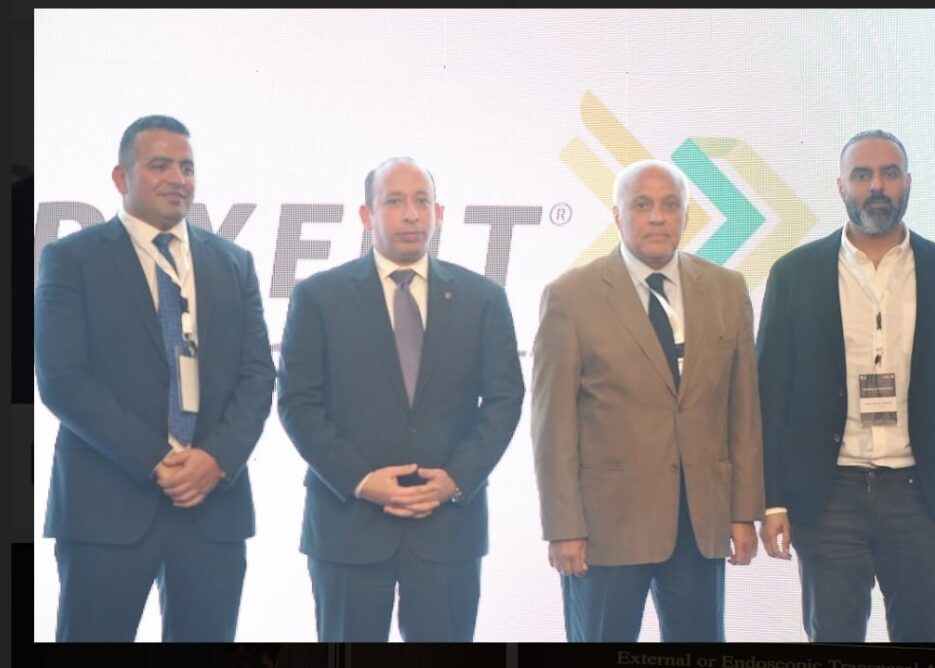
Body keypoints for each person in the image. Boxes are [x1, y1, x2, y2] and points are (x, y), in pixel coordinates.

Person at [35, 114, 276, 641]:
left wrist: (215, 460)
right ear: (120, 177)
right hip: (106, 506)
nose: (177, 179)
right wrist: (156, 460)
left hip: (214, 507)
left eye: (187, 167)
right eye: (160, 165)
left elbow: (259, 376)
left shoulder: (234, 263)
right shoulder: (70, 258)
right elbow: (62, 379)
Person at [277, 156, 524, 641]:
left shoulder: (483, 299)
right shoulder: (319, 297)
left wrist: (455, 480)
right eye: (394, 201)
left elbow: (504, 400)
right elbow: (297, 403)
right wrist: (361, 481)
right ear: (366, 215)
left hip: (448, 528)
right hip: (348, 526)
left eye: (422, 201)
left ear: (439, 213)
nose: (411, 214)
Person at [756, 130, 935, 642]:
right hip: (828, 497)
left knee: (923, 639)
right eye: (862, 175)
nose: (876, 186)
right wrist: (773, 502)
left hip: (922, 497)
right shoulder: (794, 275)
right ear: (841, 186)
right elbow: (771, 400)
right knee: (834, 641)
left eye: (889, 173)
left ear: (909, 182)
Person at [531, 159, 764, 642]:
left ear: (686, 215)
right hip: (605, 532)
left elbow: (743, 412)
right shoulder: (571, 296)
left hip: (700, 527)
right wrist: (563, 527)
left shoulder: (727, 289)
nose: (657, 217)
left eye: (670, 205)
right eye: (642, 205)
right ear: (617, 215)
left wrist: (743, 512)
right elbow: (552, 428)